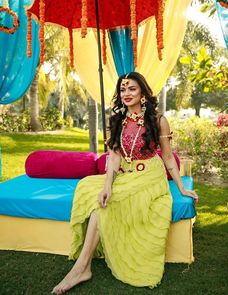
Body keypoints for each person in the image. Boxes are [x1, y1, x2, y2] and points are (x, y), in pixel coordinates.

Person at [52, 72, 198, 294]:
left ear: (143, 93)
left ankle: (81, 267)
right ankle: (83, 267)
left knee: (105, 206)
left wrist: (181, 188)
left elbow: (168, 157)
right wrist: (107, 185)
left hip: (150, 175)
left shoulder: (159, 121)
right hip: (125, 174)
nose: (126, 94)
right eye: (122, 90)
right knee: (90, 190)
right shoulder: (117, 119)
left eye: (132, 89)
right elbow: (114, 157)